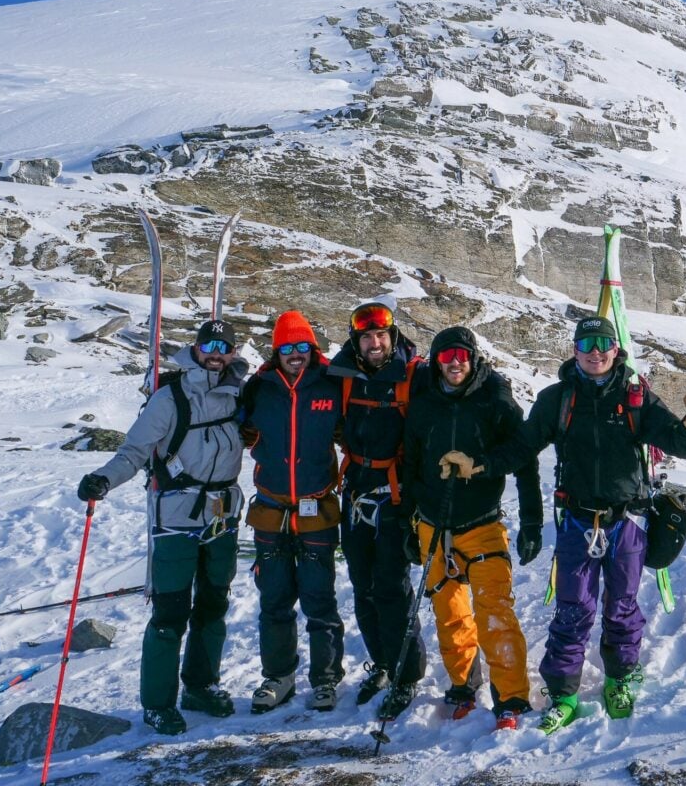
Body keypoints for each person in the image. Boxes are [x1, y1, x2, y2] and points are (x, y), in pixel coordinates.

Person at [439, 315, 686, 734]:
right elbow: (521, 447)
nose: (595, 352)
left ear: (616, 349)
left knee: (621, 607)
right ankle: (563, 692)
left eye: (603, 343)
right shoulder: (558, 399)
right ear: (574, 351)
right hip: (577, 521)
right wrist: (478, 464)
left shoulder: (636, 397)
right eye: (586, 344)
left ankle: (621, 677)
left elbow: (677, 444)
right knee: (573, 608)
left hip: (628, 521)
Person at [76, 319, 247, 735]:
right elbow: (134, 450)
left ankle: (201, 686)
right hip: (175, 518)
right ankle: (157, 703)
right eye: (209, 343)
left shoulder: (240, 391)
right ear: (196, 346)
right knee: (171, 614)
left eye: (224, 345)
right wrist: (104, 478)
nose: (216, 352)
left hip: (222, 516)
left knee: (213, 605)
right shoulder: (170, 397)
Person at [402, 326, 542, 730]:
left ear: (474, 358)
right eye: (446, 357)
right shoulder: (424, 403)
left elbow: (524, 459)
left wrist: (531, 521)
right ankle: (463, 686)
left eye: (462, 355)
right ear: (436, 361)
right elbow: (410, 466)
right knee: (450, 613)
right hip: (431, 524)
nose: (454, 363)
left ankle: (511, 696)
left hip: (481, 523)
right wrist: (408, 525)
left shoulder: (495, 400)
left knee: (494, 612)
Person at [326, 298, 428, 720]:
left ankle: (407, 674)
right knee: (362, 585)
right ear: (356, 339)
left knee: (391, 586)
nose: (374, 343)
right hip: (354, 490)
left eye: (381, 335)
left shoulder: (412, 375)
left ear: (393, 336)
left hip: (395, 493)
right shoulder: (343, 374)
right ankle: (382, 663)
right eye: (367, 336)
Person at [239, 310, 345, 714]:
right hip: (270, 508)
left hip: (317, 508)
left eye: (303, 346)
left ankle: (326, 679)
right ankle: (278, 676)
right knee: (275, 599)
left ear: (312, 349)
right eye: (288, 348)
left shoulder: (333, 384)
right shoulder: (259, 389)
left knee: (320, 599)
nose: (296, 354)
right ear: (276, 351)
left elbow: (352, 432)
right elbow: (238, 428)